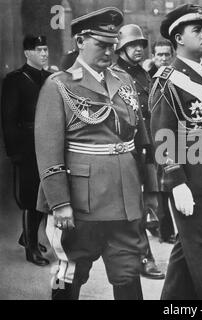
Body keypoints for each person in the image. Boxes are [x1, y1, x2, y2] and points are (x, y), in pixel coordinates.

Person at [34, 7, 154, 300]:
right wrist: (59, 202)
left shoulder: (122, 80)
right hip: (80, 202)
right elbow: (48, 150)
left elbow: (142, 141)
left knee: (128, 274)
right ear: (80, 42)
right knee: (68, 275)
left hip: (125, 198)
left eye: (113, 46)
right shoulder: (59, 84)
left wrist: (150, 190)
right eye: (101, 45)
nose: (110, 52)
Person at [150, 3, 202, 299]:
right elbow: (163, 137)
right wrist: (176, 182)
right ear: (178, 39)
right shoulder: (169, 80)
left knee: (186, 260)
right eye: (197, 30)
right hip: (192, 184)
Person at [113, 23, 165, 280]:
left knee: (150, 202)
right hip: (128, 148)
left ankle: (142, 253)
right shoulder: (113, 75)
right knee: (133, 207)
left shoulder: (144, 75)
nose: (138, 49)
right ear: (120, 48)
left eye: (140, 45)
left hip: (148, 146)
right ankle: (144, 257)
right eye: (132, 45)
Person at [1, 35, 51, 266]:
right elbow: (8, 119)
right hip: (27, 146)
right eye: (39, 50)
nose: (44, 54)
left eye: (45, 49)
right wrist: (15, 152)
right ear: (27, 53)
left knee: (46, 194)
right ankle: (31, 248)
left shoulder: (51, 78)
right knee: (30, 197)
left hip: (48, 145)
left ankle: (27, 236)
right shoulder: (15, 80)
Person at [147, 39, 177, 244]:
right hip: (152, 138)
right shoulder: (148, 78)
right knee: (159, 188)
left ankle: (179, 230)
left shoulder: (178, 77)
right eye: (160, 55)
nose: (164, 58)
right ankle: (164, 230)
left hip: (175, 137)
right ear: (153, 57)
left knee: (175, 183)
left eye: (167, 54)